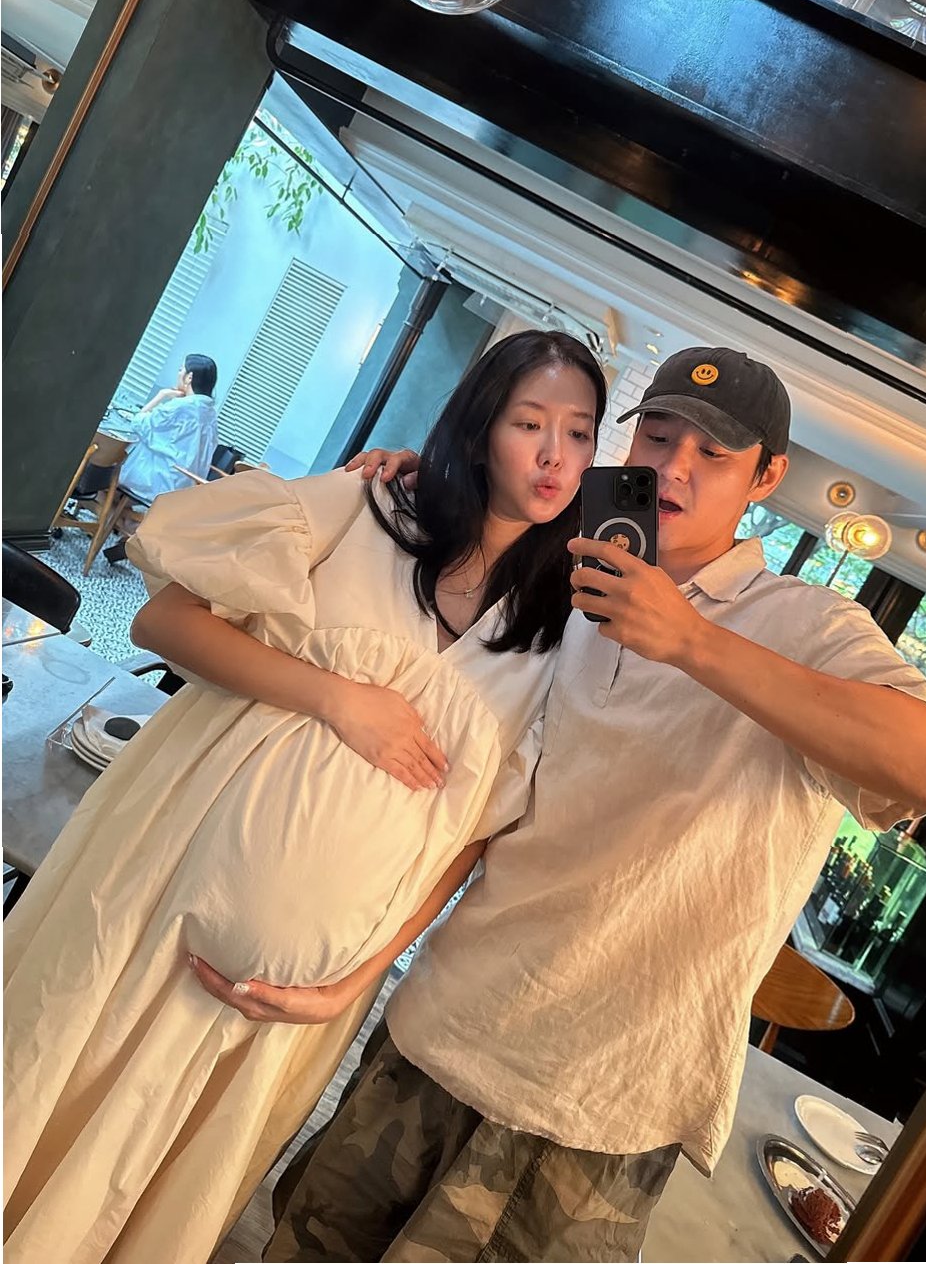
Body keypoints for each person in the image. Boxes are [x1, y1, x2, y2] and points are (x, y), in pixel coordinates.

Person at [259, 347, 926, 1264]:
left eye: (713, 454)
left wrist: (693, 641)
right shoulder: (567, 577)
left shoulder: (811, 626)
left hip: (596, 1110)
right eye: (658, 436)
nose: (673, 468)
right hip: (438, 1027)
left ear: (766, 478)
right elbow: (489, 811)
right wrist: (416, 474)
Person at [3, 331, 607, 1264]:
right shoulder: (366, 508)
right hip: (151, 899)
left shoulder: (557, 630)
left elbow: (475, 835)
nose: (555, 455)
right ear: (482, 426)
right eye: (531, 423)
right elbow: (164, 620)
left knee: (133, 1201)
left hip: (283, 1008)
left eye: (580, 432)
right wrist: (337, 697)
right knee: (38, 1100)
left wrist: (351, 985)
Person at [118, 352, 221, 503]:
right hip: (182, 488)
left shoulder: (181, 406)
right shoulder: (209, 413)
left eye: (180, 370)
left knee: (106, 467)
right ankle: (121, 514)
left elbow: (138, 423)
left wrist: (162, 395)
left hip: (158, 480)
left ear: (189, 377)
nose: (178, 374)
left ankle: (108, 511)